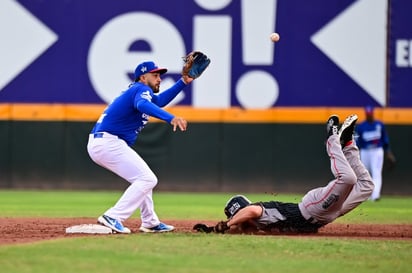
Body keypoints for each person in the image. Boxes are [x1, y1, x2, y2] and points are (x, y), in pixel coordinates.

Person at [202, 114, 375, 234]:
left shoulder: (258, 212)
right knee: (367, 186)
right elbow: (242, 224)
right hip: (326, 216)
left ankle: (332, 139)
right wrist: (217, 229)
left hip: (312, 209)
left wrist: (226, 224)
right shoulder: (257, 226)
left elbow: (251, 211)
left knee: (348, 179)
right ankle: (349, 144)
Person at [88, 60, 197, 233]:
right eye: (155, 75)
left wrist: (183, 81)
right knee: (147, 179)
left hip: (104, 142)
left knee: (142, 178)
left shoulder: (138, 91)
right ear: (142, 77)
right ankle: (114, 216)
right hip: (108, 142)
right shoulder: (140, 89)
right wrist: (171, 118)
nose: (159, 79)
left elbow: (158, 101)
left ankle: (150, 221)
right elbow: (142, 105)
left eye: (159, 75)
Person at [355, 106, 396, 201]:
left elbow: (385, 139)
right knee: (364, 173)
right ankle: (365, 195)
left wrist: (388, 153)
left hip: (377, 151)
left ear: (373, 113)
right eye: (368, 114)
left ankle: (375, 195)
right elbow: (357, 141)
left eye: (370, 114)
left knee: (376, 173)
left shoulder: (379, 125)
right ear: (366, 114)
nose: (369, 116)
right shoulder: (361, 126)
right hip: (365, 151)